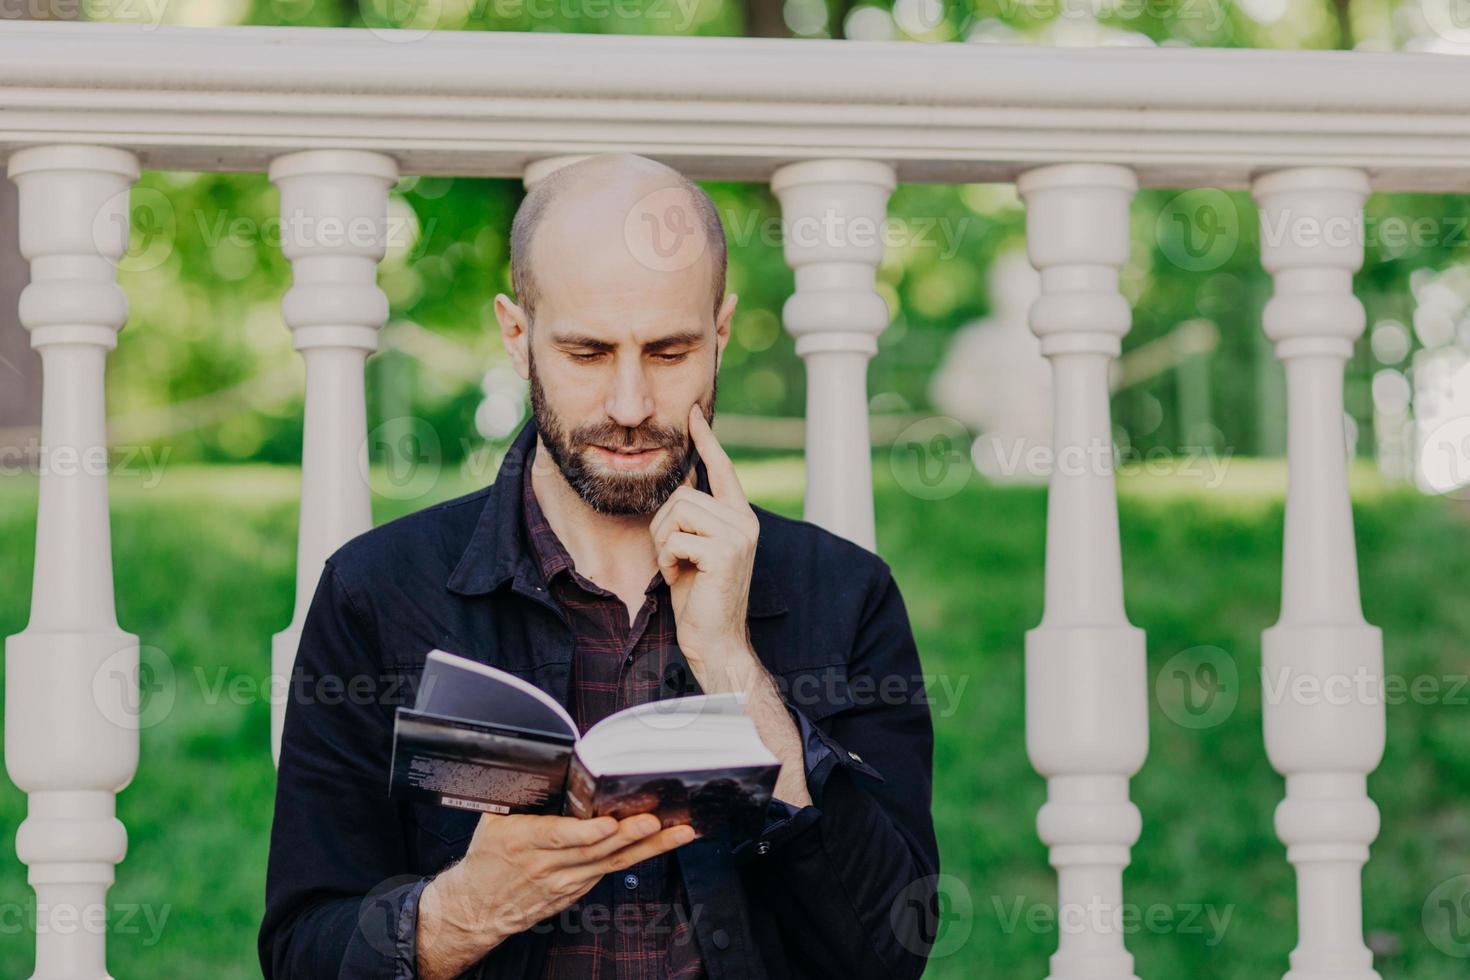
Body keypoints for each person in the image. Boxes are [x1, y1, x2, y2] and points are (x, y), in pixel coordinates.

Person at [259, 152, 939, 980]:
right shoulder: (377, 592)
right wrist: (459, 913)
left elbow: (889, 953)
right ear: (518, 336)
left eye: (668, 352)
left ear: (719, 333)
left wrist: (733, 666)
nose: (629, 406)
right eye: (586, 353)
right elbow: (301, 951)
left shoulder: (845, 594)